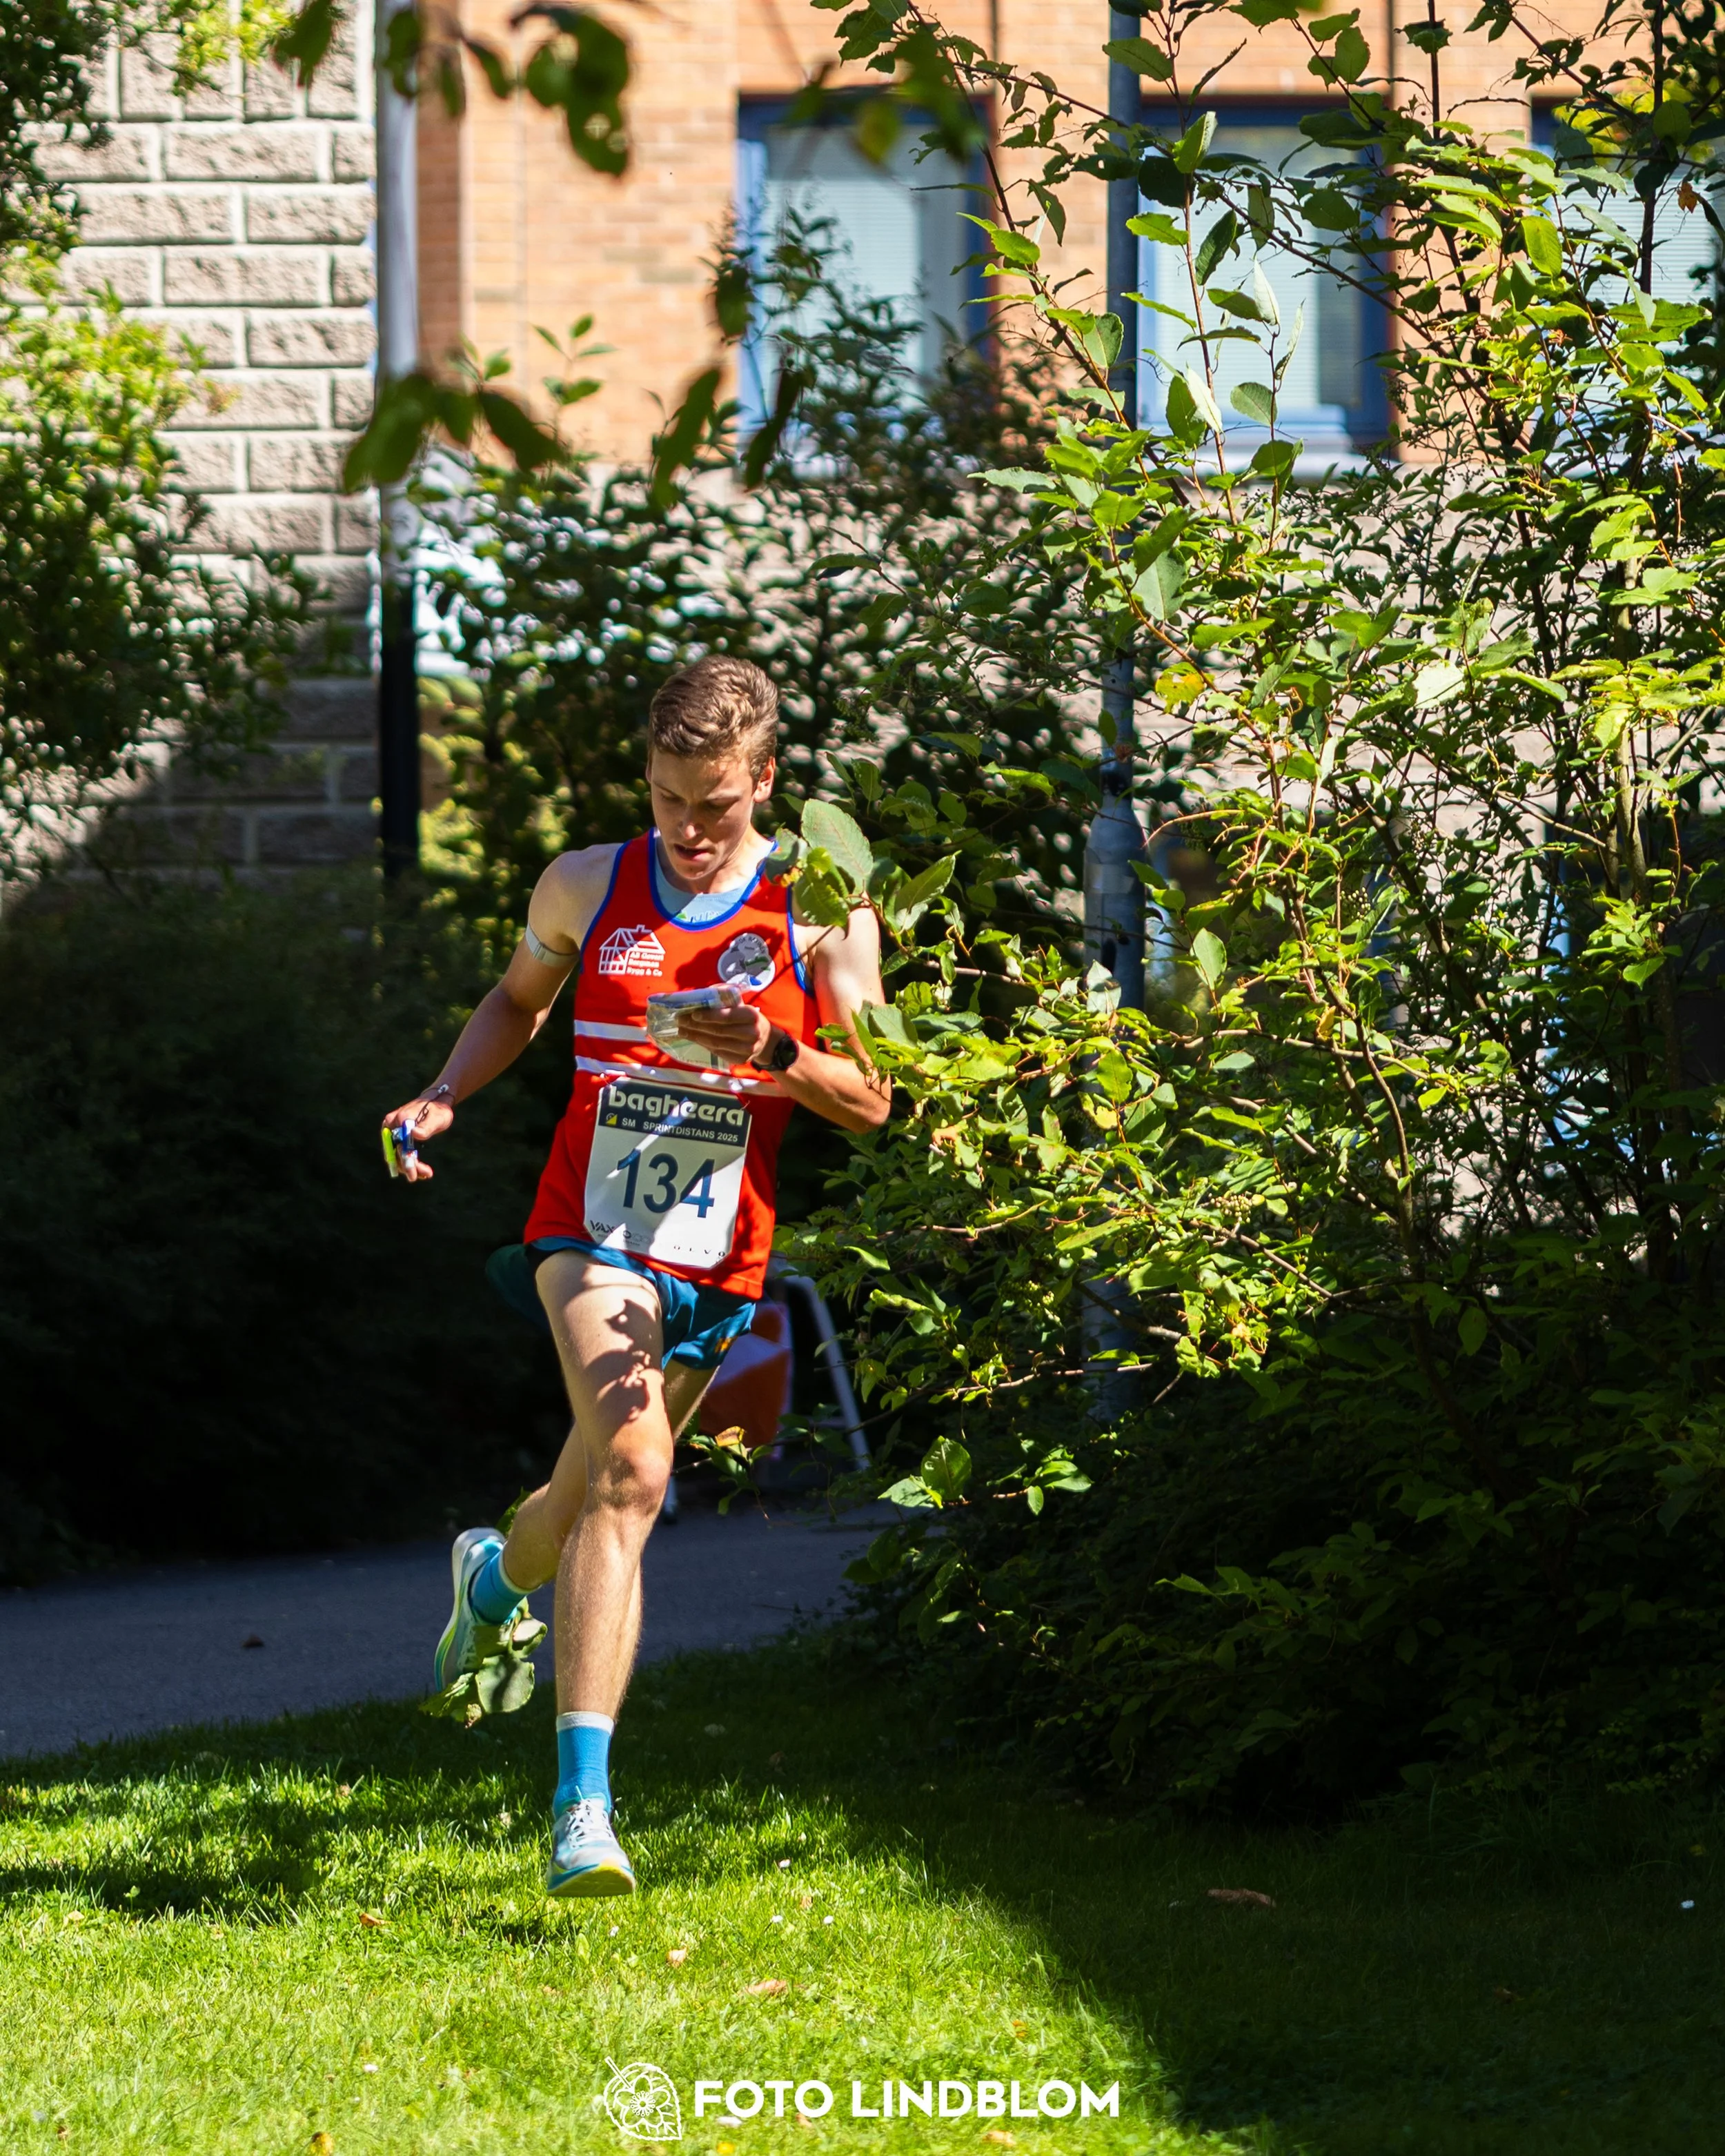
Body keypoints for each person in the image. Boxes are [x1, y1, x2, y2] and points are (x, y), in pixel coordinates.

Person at [380, 655, 889, 1898]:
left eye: (715, 802)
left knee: (590, 1493)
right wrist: (444, 1093)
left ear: (765, 780)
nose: (691, 829)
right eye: (669, 800)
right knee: (637, 1471)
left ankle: (493, 1576)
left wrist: (776, 1047)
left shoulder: (818, 909)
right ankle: (582, 1811)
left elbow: (872, 1099)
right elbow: (516, 1004)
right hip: (591, 1232)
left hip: (725, 1254)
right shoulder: (586, 884)